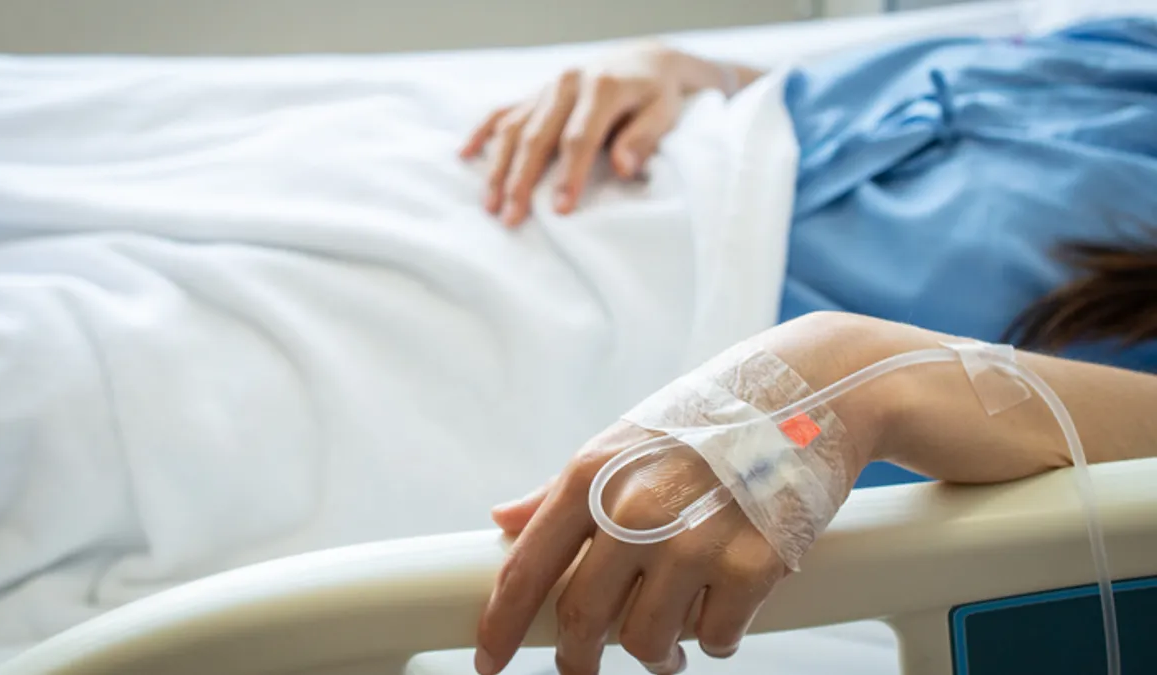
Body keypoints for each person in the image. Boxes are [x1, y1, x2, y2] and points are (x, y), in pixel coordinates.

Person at [461, 19, 1157, 675]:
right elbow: (903, 94)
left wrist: (853, 370)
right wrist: (683, 68)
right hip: (604, 164)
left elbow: (864, 393)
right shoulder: (1131, 50)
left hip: (653, 359)